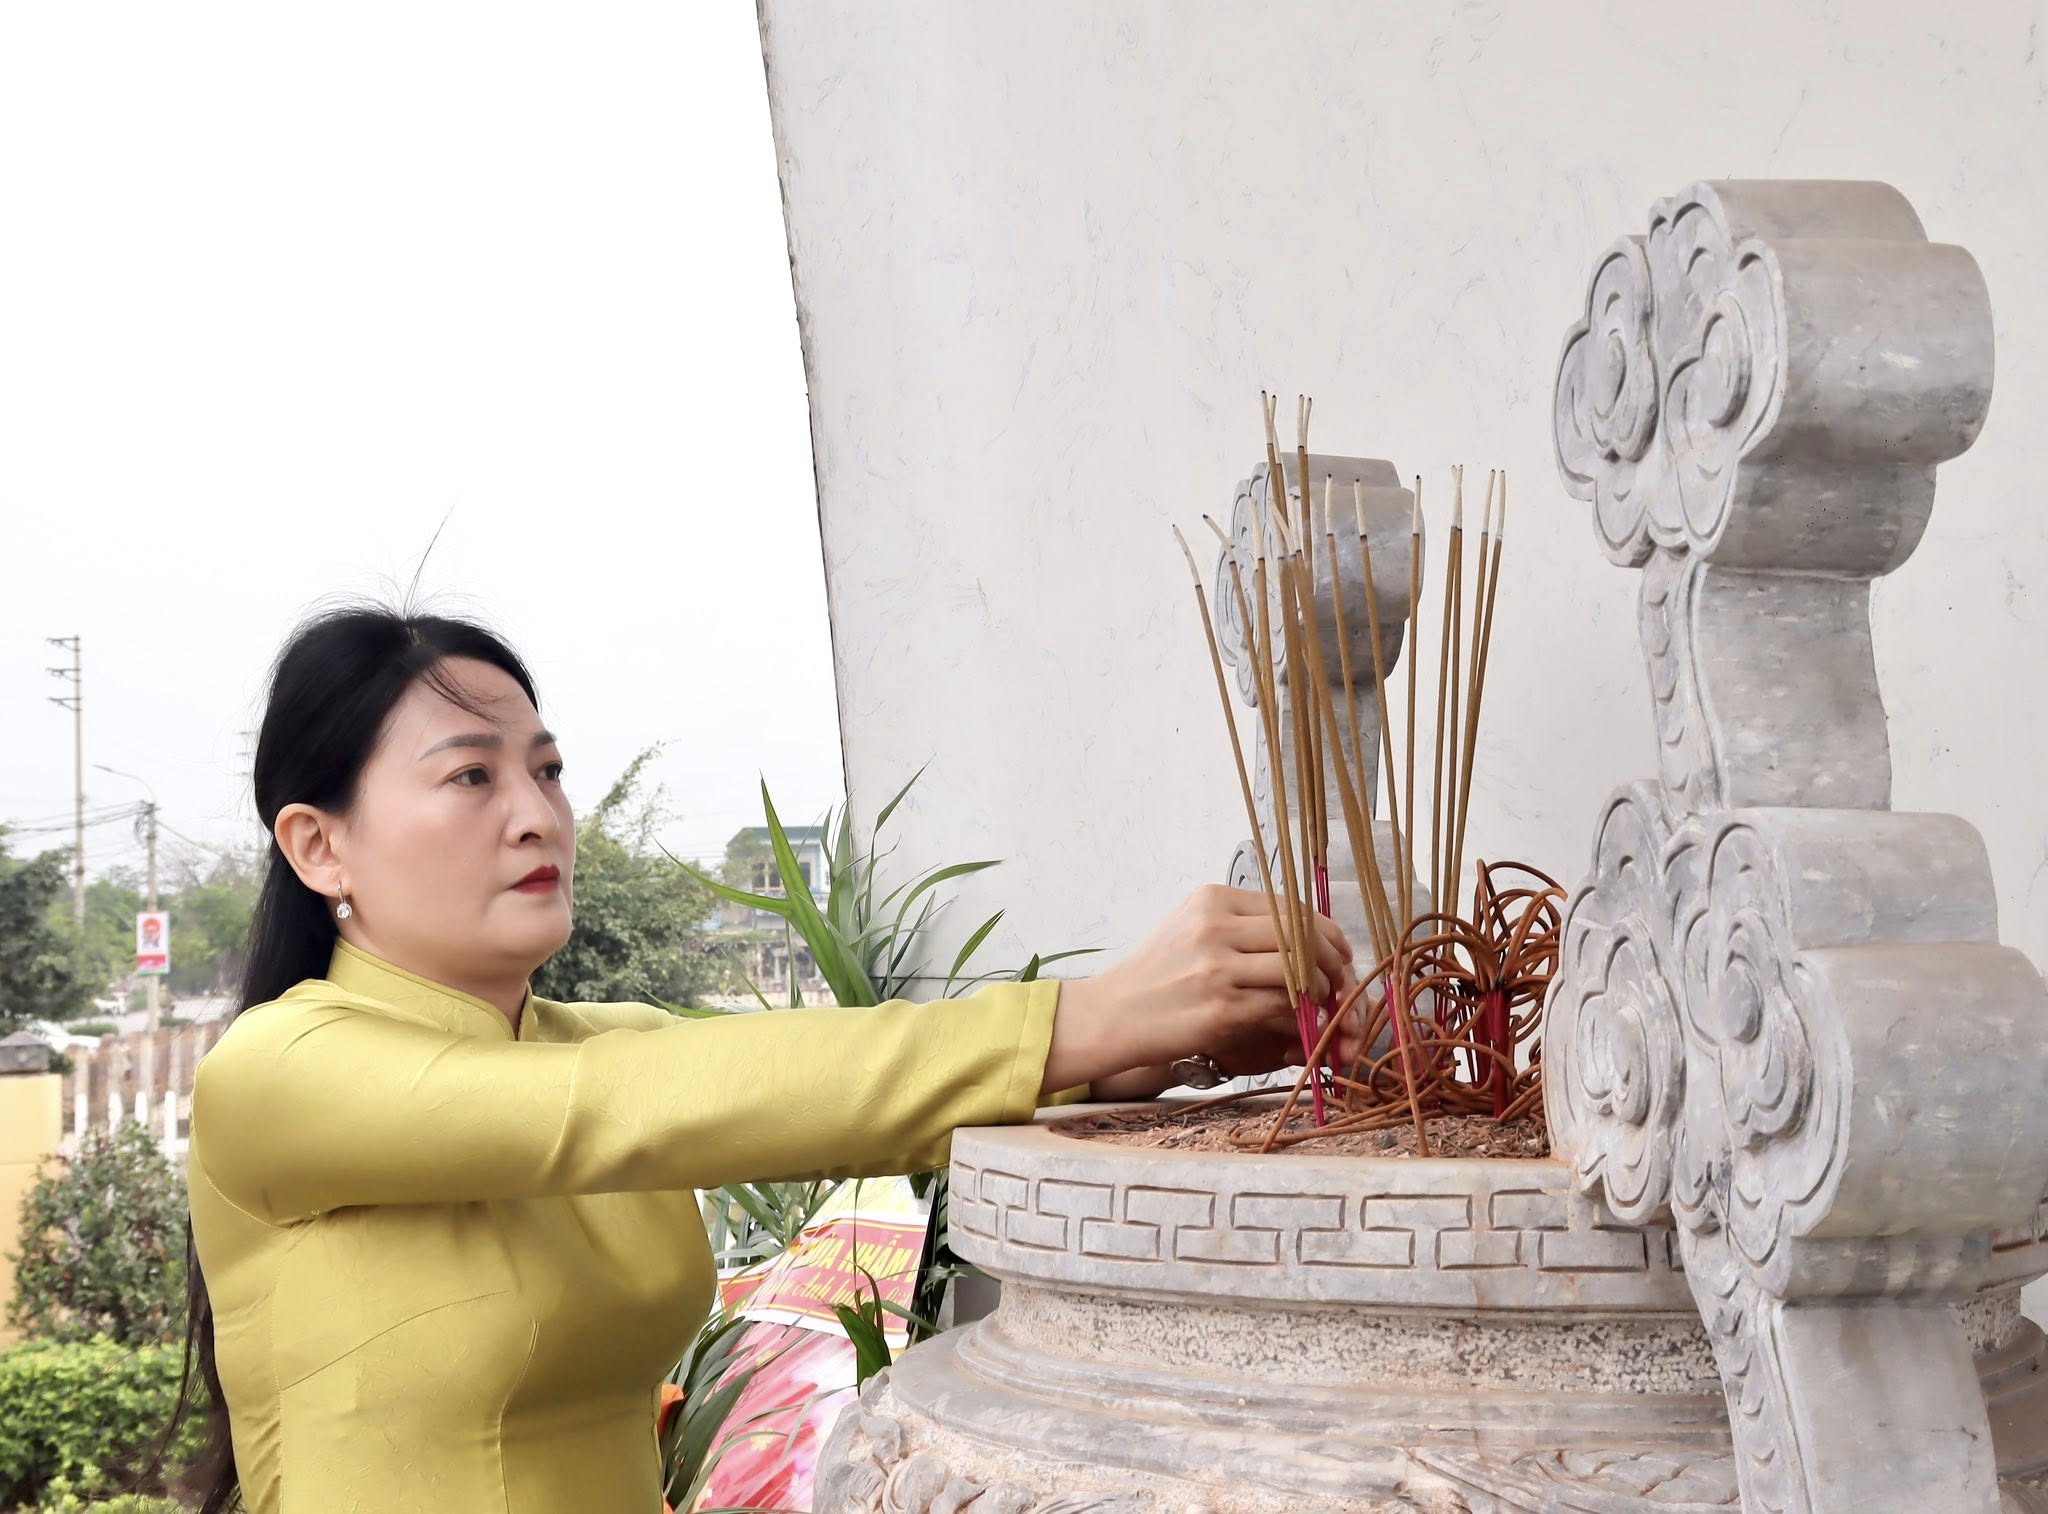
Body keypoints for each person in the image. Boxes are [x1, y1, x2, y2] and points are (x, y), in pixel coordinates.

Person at [171, 606, 1353, 1514]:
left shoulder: (604, 1040)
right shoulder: (276, 1073)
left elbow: (809, 1094)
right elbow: (618, 1108)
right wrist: (1087, 1012)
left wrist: (1162, 1047)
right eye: (471, 774)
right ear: (318, 845)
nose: (535, 813)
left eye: (547, 768)